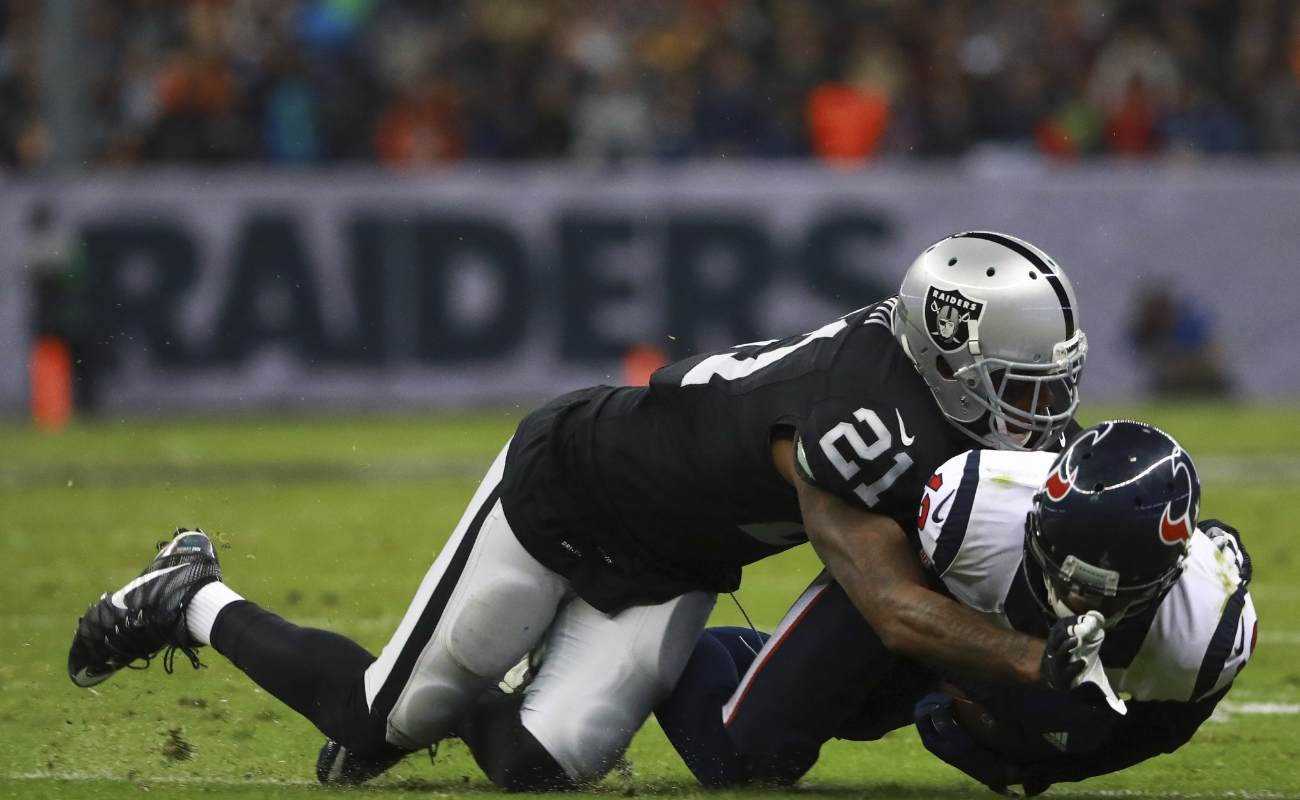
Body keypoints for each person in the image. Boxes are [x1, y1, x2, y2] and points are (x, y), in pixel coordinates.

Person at [67, 231, 1089, 790]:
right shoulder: (856, 418)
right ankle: (189, 590)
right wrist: (1036, 662)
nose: (1039, 410)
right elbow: (893, 608)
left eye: (1050, 386)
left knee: (535, 769)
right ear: (944, 355)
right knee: (375, 715)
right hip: (570, 489)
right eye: (1019, 383)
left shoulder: (918, 385)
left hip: (671, 558)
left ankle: (470, 686)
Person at [657, 420, 1257, 794]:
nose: (1073, 597)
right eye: (1062, 568)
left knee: (1070, 721)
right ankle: (656, 645)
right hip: (935, 600)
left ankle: (756, 666)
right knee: (743, 758)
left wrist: (1041, 763)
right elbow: (890, 600)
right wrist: (982, 657)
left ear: (1162, 579)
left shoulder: (1204, 633)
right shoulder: (976, 507)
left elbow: (1149, 735)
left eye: (1100, 591)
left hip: (1002, 647)